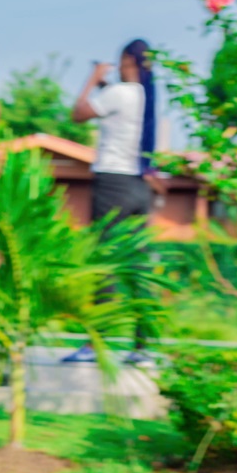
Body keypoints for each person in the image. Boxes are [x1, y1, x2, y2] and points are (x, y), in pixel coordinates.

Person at [61, 38, 160, 363]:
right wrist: (107, 84)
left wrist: (92, 80)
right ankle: (142, 345)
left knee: (104, 263)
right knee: (137, 265)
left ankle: (95, 345)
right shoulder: (145, 96)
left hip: (112, 184)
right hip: (138, 187)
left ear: (128, 60)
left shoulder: (118, 93)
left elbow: (78, 114)